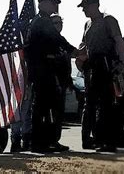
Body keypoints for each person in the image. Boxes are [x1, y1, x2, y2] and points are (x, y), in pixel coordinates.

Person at [76, 0, 124, 153]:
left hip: (106, 64)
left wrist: (120, 62)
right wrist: (79, 60)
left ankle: (107, 140)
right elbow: (84, 45)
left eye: (85, 7)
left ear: (94, 5)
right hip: (91, 66)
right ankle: (88, 139)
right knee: (89, 104)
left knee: (106, 104)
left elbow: (119, 41)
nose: (83, 10)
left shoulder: (108, 20)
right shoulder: (86, 24)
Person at [25, 0, 73, 153]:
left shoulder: (39, 21)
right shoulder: (42, 21)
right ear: (43, 4)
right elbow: (57, 40)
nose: (55, 6)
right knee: (42, 107)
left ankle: (47, 140)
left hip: (43, 70)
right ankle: (39, 142)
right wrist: (75, 51)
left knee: (47, 106)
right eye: (53, 3)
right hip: (42, 70)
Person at [49, 13, 77, 149]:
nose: (59, 25)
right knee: (52, 113)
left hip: (63, 82)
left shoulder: (62, 40)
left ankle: (55, 139)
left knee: (59, 113)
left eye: (60, 22)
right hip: (53, 82)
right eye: (55, 23)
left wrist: (69, 81)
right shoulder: (49, 40)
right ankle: (50, 140)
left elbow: (68, 59)